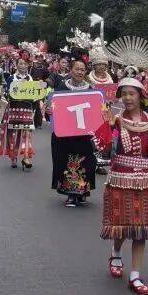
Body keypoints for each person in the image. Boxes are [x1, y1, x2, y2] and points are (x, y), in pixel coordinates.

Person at [94, 77, 148, 295]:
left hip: (146, 182)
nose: (128, 98)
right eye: (124, 94)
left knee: (141, 230)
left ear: (141, 96)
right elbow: (103, 149)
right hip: (120, 179)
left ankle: (135, 276)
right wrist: (108, 126)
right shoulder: (117, 121)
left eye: (132, 93)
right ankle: (116, 251)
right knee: (123, 225)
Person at [50, 51, 97, 208]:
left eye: (82, 70)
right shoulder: (63, 86)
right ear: (71, 70)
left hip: (84, 135)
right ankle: (71, 194)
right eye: (77, 69)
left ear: (86, 72)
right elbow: (54, 106)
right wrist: (50, 110)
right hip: (66, 135)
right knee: (68, 161)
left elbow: (95, 111)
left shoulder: (91, 89)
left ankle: (83, 192)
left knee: (86, 162)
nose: (79, 72)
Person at [0, 52, 39, 170]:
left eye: (25, 64)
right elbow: (7, 93)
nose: (23, 66)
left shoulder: (31, 79)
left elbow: (35, 93)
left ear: (27, 65)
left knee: (26, 133)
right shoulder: (11, 78)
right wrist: (10, 93)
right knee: (13, 134)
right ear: (16, 65)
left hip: (27, 109)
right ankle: (13, 156)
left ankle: (26, 157)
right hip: (14, 109)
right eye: (20, 63)